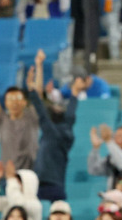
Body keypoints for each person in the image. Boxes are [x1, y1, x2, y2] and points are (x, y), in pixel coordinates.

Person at [26, 50, 82, 201]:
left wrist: (31, 91)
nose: (57, 107)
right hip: (56, 185)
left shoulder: (52, 132)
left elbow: (42, 113)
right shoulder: (66, 130)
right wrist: (74, 94)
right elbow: (70, 115)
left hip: (45, 185)